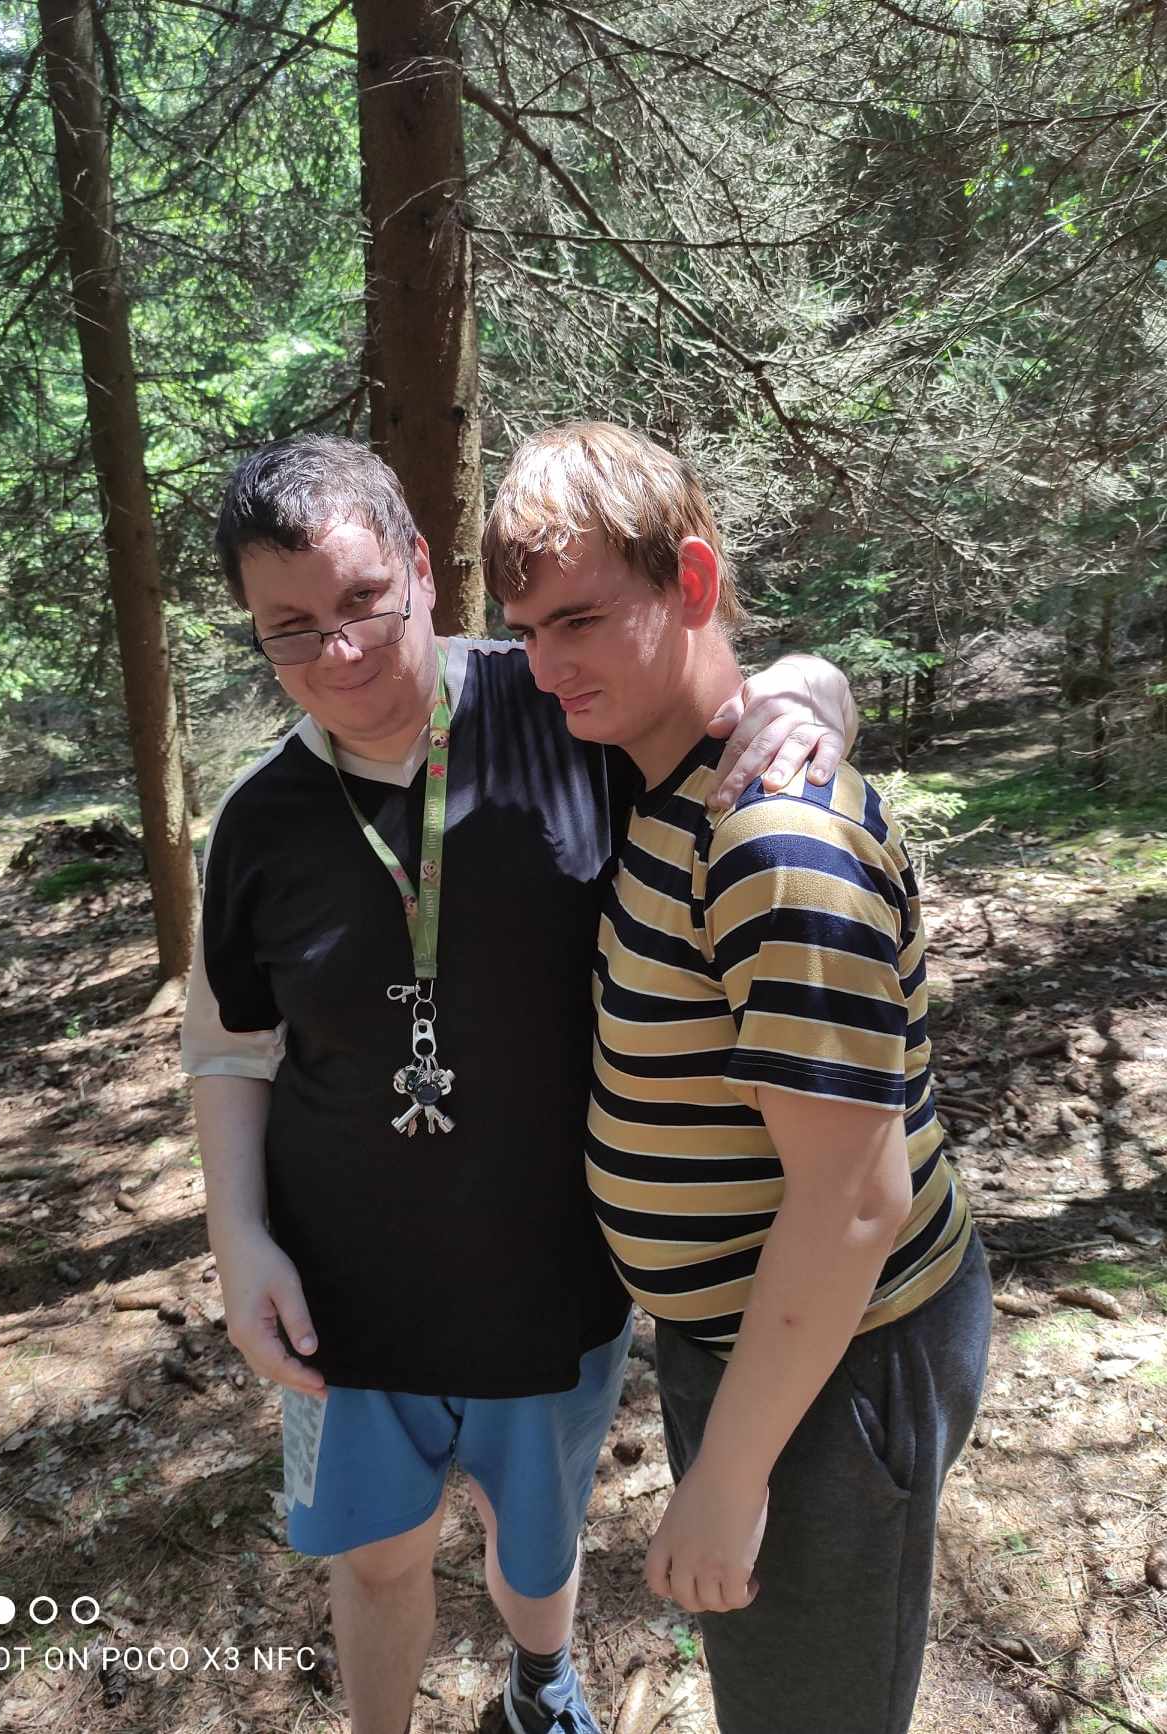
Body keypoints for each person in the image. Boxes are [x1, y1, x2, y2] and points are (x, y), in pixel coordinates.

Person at [180, 434, 857, 1734]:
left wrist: (812, 691)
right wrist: (239, 1236)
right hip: (340, 1292)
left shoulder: (559, 709)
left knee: (536, 1547)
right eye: (290, 627)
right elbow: (230, 1041)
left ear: (419, 569)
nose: (338, 651)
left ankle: (540, 1682)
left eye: (363, 599)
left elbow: (727, 696)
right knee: (375, 1553)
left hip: (554, 1278)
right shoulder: (258, 818)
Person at [485, 421, 993, 1734]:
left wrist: (727, 1474)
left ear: (694, 581)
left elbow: (853, 1201)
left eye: (580, 620)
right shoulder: (661, 775)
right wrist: (810, 678)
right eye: (526, 631)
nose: (547, 666)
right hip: (761, 1345)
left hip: (836, 1361)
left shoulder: (771, 838)